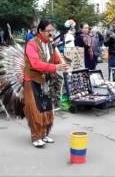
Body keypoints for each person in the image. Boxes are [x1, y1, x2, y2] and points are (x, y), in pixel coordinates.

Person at [24, 19, 69, 148]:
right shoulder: (31, 44)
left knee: (47, 108)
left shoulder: (50, 45)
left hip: (46, 79)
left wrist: (63, 63)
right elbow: (35, 64)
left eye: (52, 30)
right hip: (32, 80)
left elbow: (55, 60)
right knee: (36, 109)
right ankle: (36, 136)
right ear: (40, 31)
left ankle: (44, 133)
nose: (51, 33)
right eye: (48, 31)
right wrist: (56, 68)